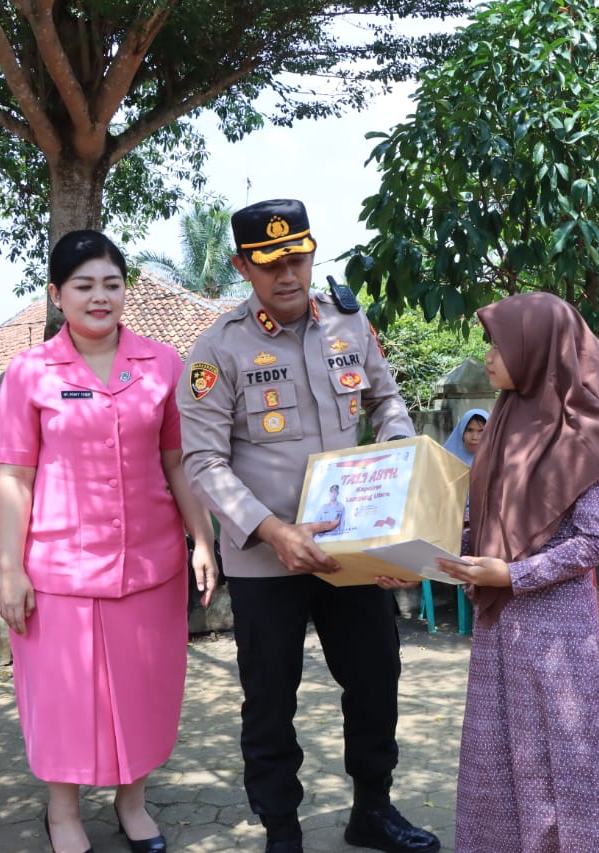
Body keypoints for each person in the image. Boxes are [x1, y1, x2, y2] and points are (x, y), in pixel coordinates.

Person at [177, 199, 439, 853]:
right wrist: (272, 530)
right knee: (270, 699)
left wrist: (398, 467)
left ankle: (373, 809)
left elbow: (385, 400)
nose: (287, 274)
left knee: (376, 675)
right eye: (270, 264)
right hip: (268, 559)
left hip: (352, 551)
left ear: (312, 252)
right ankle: (282, 831)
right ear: (242, 266)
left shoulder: (349, 323)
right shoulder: (219, 348)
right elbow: (202, 463)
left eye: (297, 257)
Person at [0, 230, 216, 853]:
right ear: (56, 295)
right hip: (59, 568)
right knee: (66, 700)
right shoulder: (29, 373)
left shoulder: (162, 364)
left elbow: (179, 462)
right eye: (84, 286)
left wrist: (203, 539)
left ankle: (132, 802)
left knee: (144, 690)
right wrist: (10, 569)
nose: (99, 297)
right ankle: (62, 813)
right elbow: (13, 475)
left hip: (151, 564)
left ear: (127, 291)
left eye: (111, 284)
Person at [428, 292, 599, 852]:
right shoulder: (502, 425)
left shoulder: (587, 433)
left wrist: (514, 575)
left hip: (554, 631)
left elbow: (596, 542)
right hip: (500, 624)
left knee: (559, 766)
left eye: (497, 345)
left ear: (536, 348)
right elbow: (482, 528)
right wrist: (423, 562)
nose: (489, 357)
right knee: (500, 758)